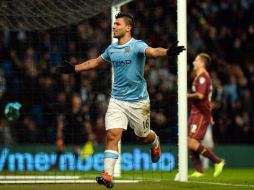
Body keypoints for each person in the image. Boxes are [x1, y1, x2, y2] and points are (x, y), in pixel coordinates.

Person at [56, 12, 185, 188]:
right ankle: (107, 175)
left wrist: (168, 52)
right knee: (112, 135)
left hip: (138, 102)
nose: (113, 27)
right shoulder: (112, 49)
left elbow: (153, 51)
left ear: (128, 27)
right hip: (117, 100)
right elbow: (95, 62)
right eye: (113, 24)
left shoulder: (137, 45)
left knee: (143, 136)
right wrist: (74, 69)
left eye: (117, 24)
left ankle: (155, 142)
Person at [187, 53, 225, 178]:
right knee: (188, 141)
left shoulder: (203, 77)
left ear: (202, 63)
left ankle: (217, 161)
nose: (193, 62)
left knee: (192, 143)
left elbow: (200, 96)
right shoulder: (199, 77)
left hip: (200, 114)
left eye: (196, 60)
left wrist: (185, 95)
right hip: (195, 112)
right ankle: (199, 170)